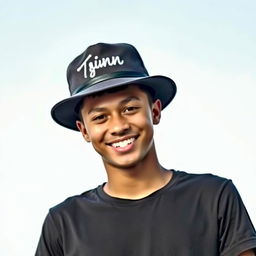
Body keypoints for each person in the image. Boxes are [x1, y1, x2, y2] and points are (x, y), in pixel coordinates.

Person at [35, 43, 256, 256]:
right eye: (100, 117)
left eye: (130, 108)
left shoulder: (213, 197)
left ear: (155, 111)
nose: (119, 126)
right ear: (84, 130)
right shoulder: (63, 223)